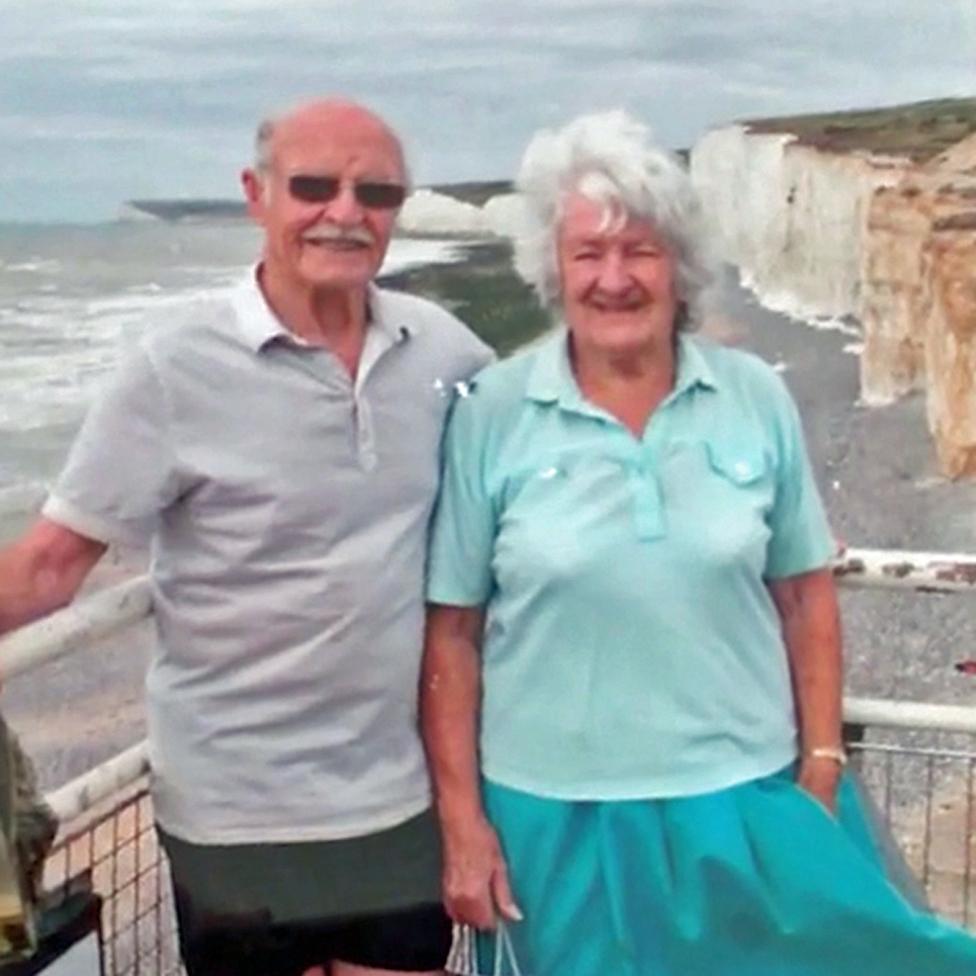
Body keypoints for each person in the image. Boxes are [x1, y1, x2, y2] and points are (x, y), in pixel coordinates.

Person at [422, 110, 976, 975]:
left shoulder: (753, 395)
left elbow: (804, 594)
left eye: (640, 251)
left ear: (678, 269)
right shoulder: (494, 410)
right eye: (588, 255)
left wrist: (821, 771)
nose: (614, 278)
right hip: (554, 817)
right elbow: (451, 633)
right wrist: (462, 823)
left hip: (745, 800)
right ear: (552, 270)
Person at [0, 98, 492, 976]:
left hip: (396, 801)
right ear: (254, 195)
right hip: (234, 815)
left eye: (374, 191)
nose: (345, 212)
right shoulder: (173, 365)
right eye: (313, 186)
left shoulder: (445, 352)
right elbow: (47, 568)